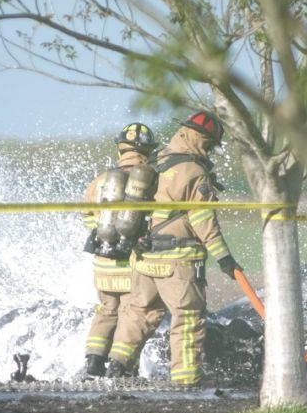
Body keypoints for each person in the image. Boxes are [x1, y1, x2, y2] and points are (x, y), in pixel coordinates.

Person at [106, 110, 243, 387]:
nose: (210, 150)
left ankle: (118, 366)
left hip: (144, 257)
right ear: (199, 138)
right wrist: (225, 258)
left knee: (139, 312)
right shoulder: (194, 171)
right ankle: (186, 378)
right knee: (188, 317)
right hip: (178, 260)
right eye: (209, 144)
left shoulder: (155, 161)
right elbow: (203, 219)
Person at [82, 122, 159, 377]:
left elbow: (87, 218)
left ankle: (93, 362)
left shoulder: (101, 180)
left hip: (103, 261)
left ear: (120, 150)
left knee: (106, 310)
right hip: (131, 263)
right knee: (130, 314)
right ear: (147, 151)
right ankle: (122, 368)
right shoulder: (150, 179)